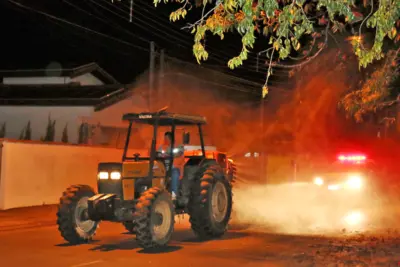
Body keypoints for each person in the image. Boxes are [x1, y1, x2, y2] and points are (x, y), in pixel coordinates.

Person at [158, 131, 185, 200]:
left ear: (171, 138)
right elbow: (158, 154)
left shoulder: (179, 146)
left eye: (167, 138)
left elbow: (179, 153)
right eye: (165, 138)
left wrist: (168, 155)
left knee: (174, 176)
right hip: (163, 168)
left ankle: (174, 197)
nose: (166, 139)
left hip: (175, 168)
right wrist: (160, 155)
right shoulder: (162, 147)